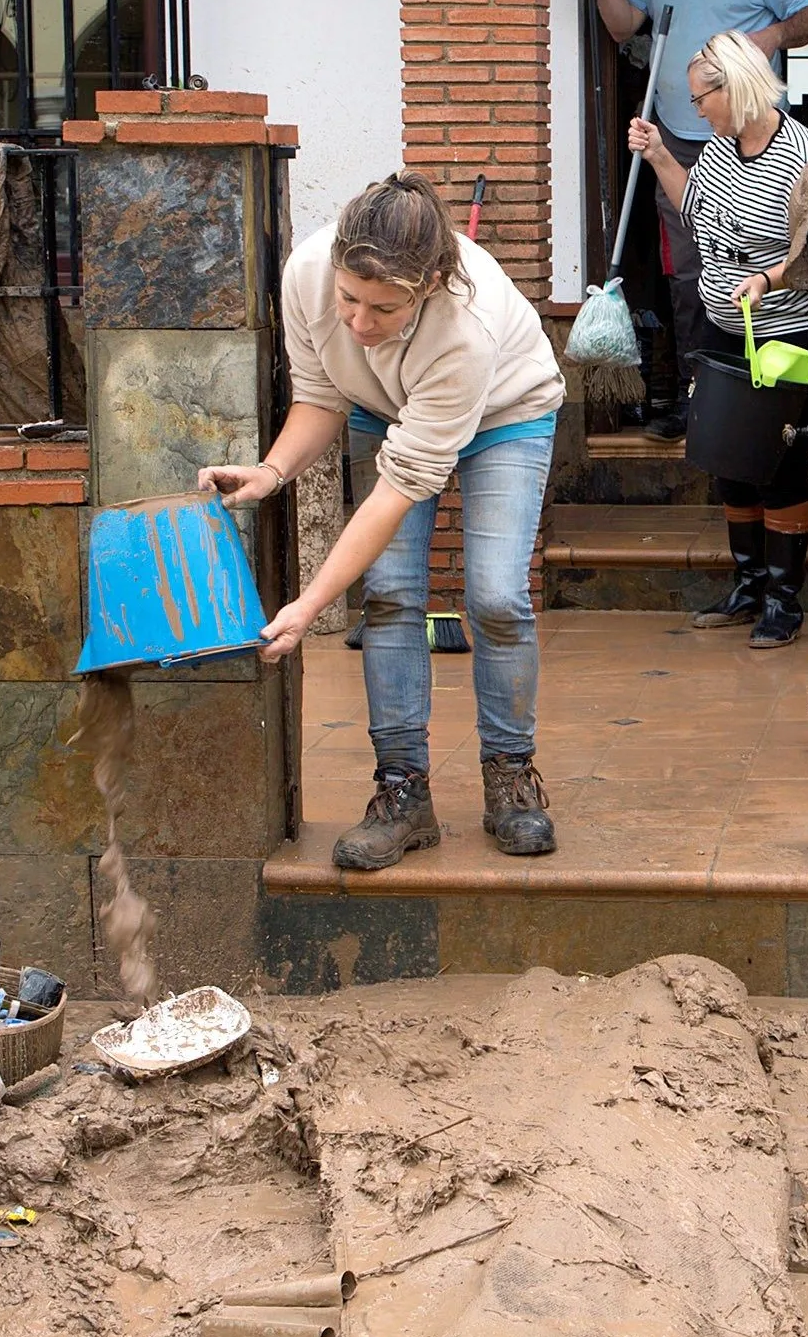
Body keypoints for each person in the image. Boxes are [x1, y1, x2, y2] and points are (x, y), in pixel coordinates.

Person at [200, 174, 567, 869]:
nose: (359, 324)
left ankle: (510, 775)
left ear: (428, 284)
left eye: (383, 308)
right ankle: (402, 793)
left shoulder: (466, 328)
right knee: (392, 594)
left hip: (507, 413)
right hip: (382, 409)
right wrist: (271, 472)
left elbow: (396, 491)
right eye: (349, 299)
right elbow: (318, 396)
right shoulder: (308, 272)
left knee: (494, 594)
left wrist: (308, 605)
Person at [573, 0, 808, 432]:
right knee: (691, 275)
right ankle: (699, 396)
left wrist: (772, 35)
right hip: (685, 139)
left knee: (763, 262)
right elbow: (621, 26)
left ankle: (771, 395)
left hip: (752, 139)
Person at [628, 32, 808, 646]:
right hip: (722, 327)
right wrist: (661, 154)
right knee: (729, 460)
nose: (696, 110)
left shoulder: (801, 153)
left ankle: (784, 601)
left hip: (781, 332)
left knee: (780, 462)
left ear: (731, 87)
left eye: (699, 98)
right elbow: (695, 207)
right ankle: (748, 587)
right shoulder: (718, 148)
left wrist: (766, 277)